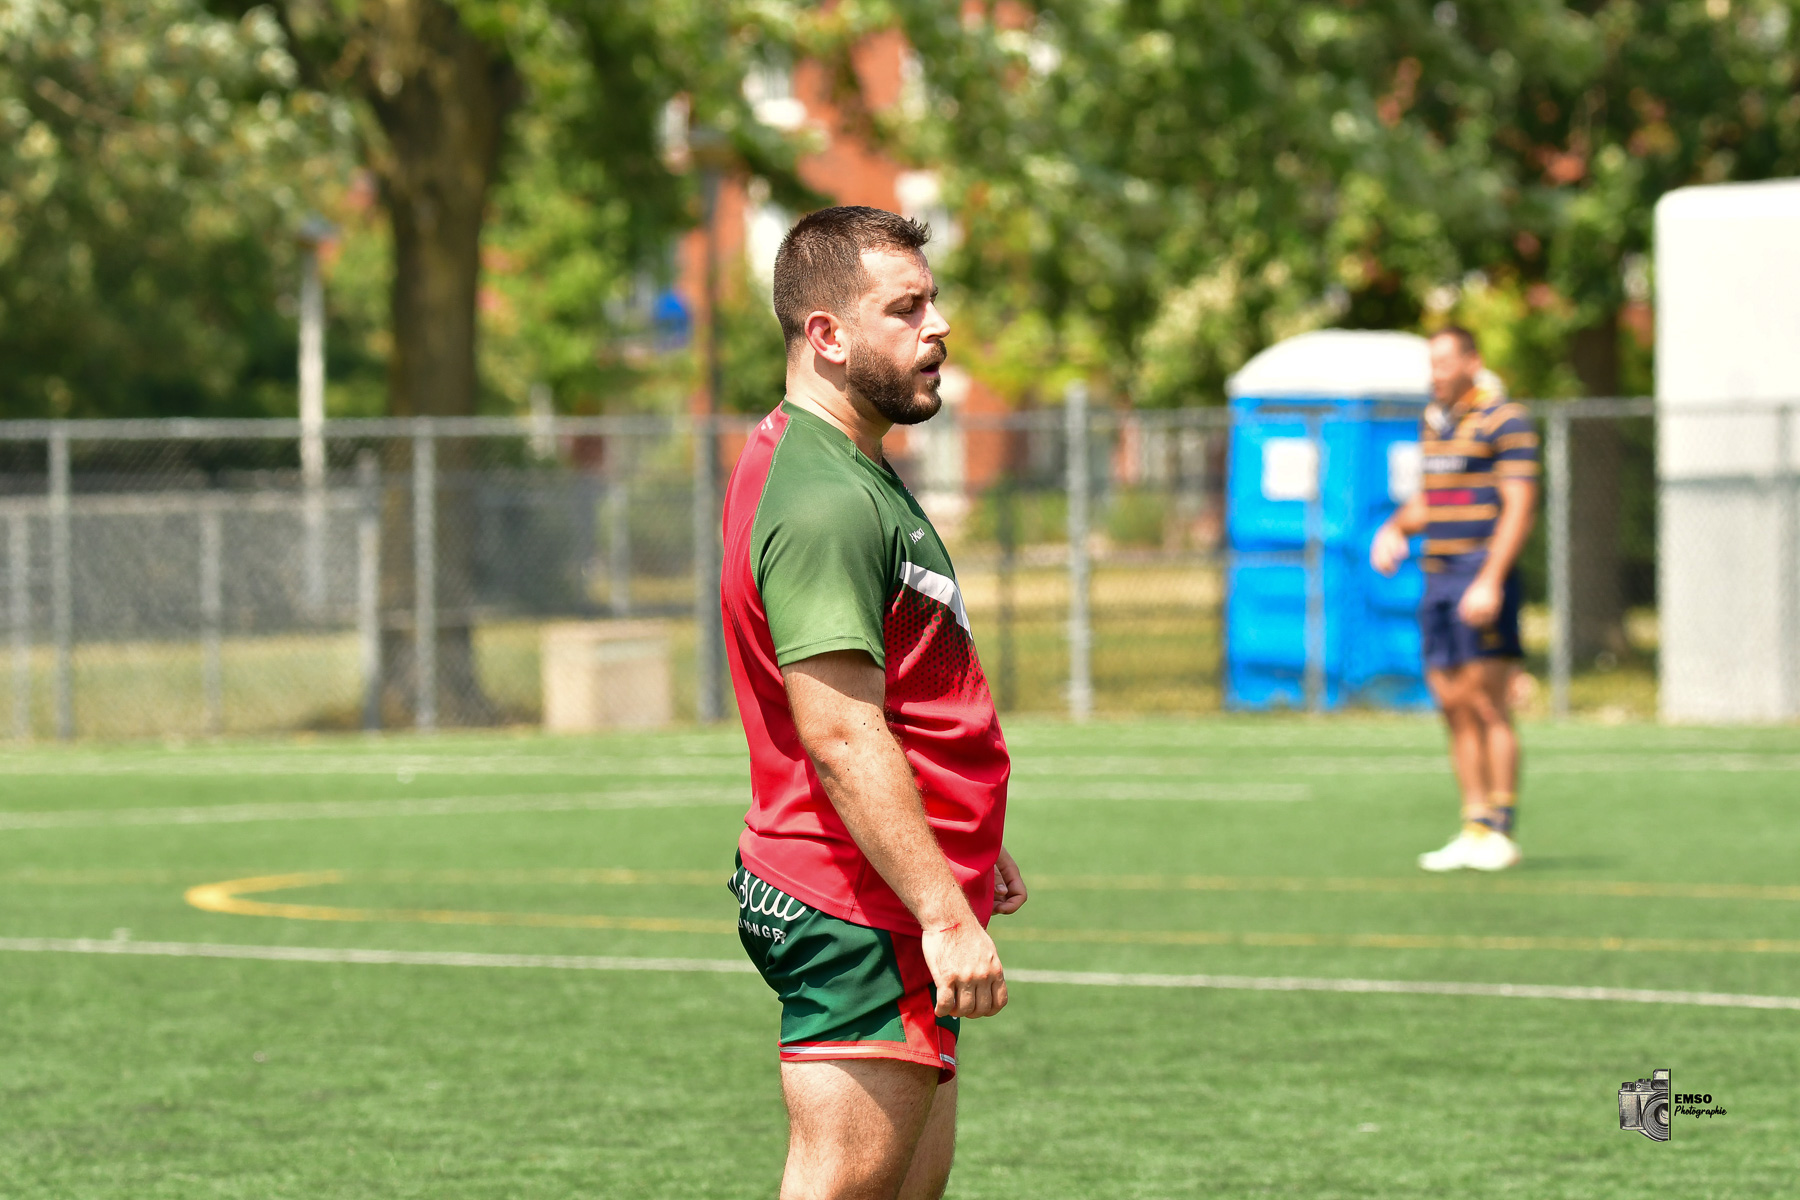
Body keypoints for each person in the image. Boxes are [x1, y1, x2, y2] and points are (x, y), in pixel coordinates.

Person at [719, 205, 1026, 1200]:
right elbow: (842, 733)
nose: (938, 326)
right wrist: (941, 909)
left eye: (932, 301)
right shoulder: (826, 499)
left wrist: (961, 834)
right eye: (905, 309)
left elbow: (902, 684)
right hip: (856, 900)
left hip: (888, 883)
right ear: (828, 334)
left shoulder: (845, 462)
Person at [1371, 326, 1539, 872]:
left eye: (1445, 363)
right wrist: (1394, 528)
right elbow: (1434, 500)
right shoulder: (1434, 422)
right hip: (1438, 577)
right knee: (1451, 703)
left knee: (1488, 702)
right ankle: (1474, 825)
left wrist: (1491, 578)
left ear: (1473, 362)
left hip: (1478, 571)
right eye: (1432, 363)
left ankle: (1502, 829)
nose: (1435, 373)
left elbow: (1519, 505)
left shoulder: (1505, 419)